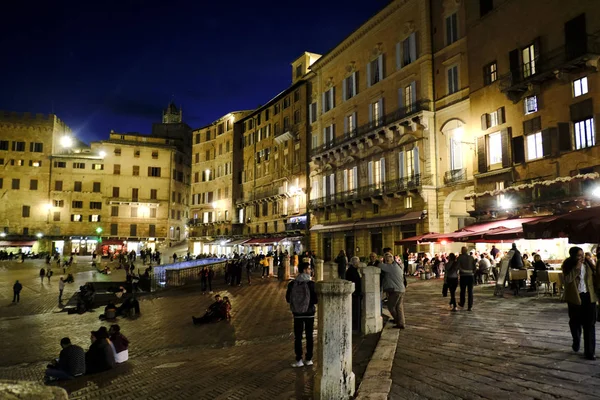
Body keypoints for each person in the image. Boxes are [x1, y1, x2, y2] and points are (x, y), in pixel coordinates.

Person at [562, 246, 597, 360]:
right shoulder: (568, 265)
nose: (581, 257)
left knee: (589, 325)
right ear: (573, 256)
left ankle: (589, 352)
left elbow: (595, 279)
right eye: (578, 255)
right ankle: (576, 340)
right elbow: (567, 280)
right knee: (575, 323)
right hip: (575, 298)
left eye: (582, 255)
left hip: (589, 297)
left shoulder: (588, 265)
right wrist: (576, 268)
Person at [286, 262, 318, 367]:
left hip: (297, 314)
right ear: (304, 270)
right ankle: (308, 359)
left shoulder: (292, 283)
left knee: (298, 337)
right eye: (309, 269)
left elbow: (288, 299)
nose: (310, 271)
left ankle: (299, 360)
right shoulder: (311, 284)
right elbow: (316, 299)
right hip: (309, 313)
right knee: (309, 336)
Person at [376, 252, 405, 329]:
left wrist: (380, 261)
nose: (386, 261)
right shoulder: (397, 266)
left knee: (391, 306)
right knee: (399, 307)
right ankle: (401, 323)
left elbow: (380, 265)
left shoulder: (390, 267)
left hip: (395, 290)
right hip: (401, 289)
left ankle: (398, 321)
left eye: (387, 260)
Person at [345, 256, 363, 333]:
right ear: (355, 263)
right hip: (355, 294)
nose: (359, 263)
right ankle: (355, 326)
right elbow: (355, 281)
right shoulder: (352, 271)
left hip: (356, 293)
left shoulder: (354, 270)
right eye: (358, 262)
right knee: (355, 310)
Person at [457, 246, 476, 311]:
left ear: (462, 251)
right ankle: (470, 306)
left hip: (463, 276)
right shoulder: (471, 257)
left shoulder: (460, 258)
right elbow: (474, 267)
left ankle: (462, 303)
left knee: (463, 290)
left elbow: (458, 267)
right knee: (470, 291)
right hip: (470, 275)